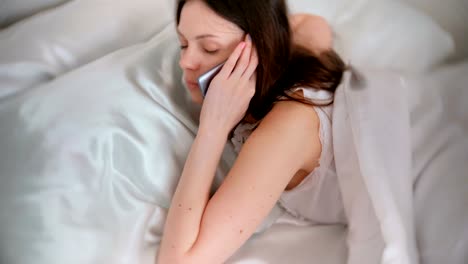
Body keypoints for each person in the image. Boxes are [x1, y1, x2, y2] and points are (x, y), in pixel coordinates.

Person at [158, 0, 346, 263]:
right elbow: (309, 22)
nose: (185, 62)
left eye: (210, 47)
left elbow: (180, 260)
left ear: (258, 47)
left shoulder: (287, 128)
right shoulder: (298, 50)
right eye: (183, 43)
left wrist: (213, 127)